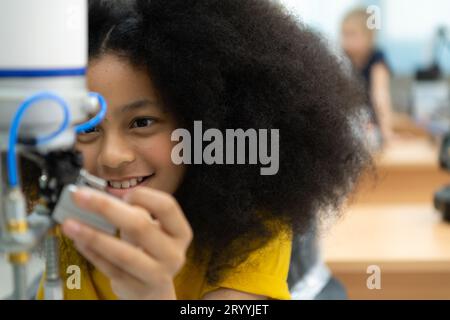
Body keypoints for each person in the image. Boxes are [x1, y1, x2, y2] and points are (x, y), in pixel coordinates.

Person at [27, 0, 370, 300]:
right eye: (87, 128)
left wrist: (152, 293)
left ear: (203, 124)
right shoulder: (67, 210)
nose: (113, 156)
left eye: (143, 122)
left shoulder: (254, 226)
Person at [341, 8, 394, 147]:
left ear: (369, 36)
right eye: (344, 34)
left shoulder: (377, 59)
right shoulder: (341, 58)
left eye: (352, 34)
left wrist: (386, 131)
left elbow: (380, 95)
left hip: (370, 125)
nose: (346, 40)